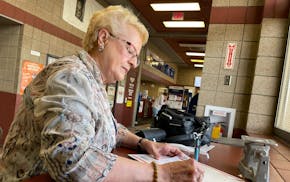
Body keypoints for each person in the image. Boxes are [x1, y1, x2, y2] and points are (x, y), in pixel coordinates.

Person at [0, 5, 204, 182]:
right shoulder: (72, 77)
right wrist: (161, 173)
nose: (134, 62)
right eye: (130, 49)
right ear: (104, 38)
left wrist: (145, 143)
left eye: (137, 57)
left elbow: (110, 128)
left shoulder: (93, 81)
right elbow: (71, 161)